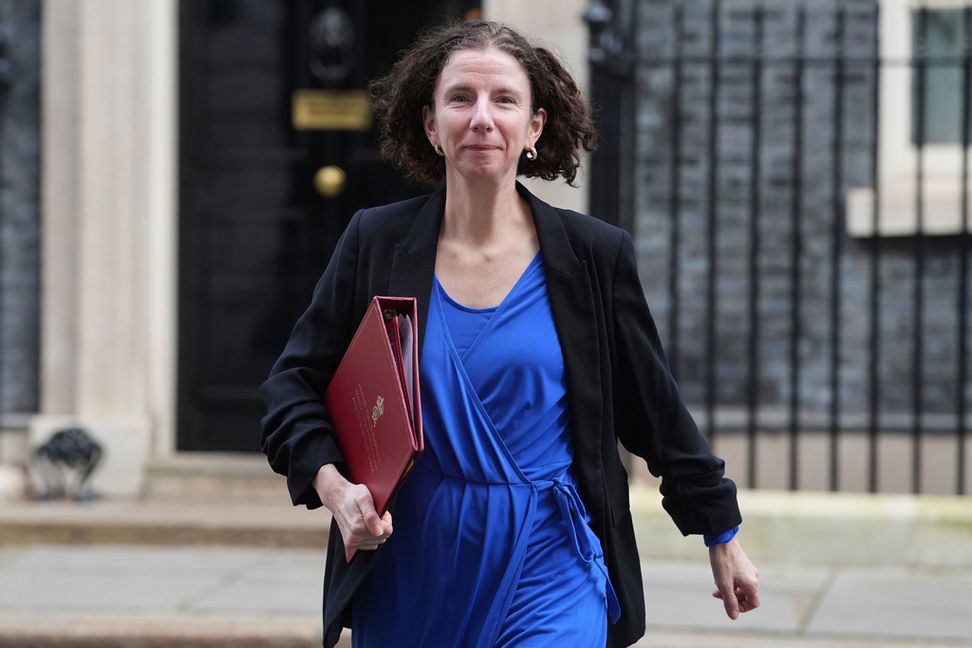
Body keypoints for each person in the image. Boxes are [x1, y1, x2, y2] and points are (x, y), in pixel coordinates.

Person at [260, 19, 759, 648]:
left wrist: (721, 532)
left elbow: (653, 408)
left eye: (504, 100)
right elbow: (293, 386)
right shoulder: (376, 243)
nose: (481, 118)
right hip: (412, 560)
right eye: (460, 98)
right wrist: (337, 489)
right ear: (430, 124)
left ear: (535, 126)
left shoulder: (591, 256)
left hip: (549, 556)